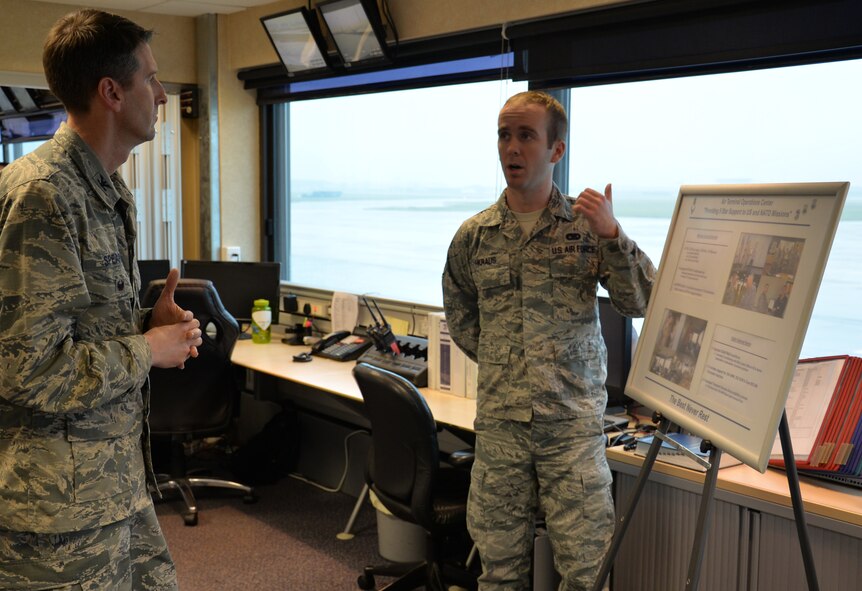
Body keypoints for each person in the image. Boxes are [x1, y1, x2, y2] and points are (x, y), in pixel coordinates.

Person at [0, 10, 202, 590]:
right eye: (152, 79)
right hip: (57, 514)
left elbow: (72, 327)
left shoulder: (106, 187)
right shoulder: (43, 195)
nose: (162, 95)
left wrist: (145, 322)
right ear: (111, 92)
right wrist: (149, 349)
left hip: (113, 482)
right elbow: (29, 370)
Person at [442, 90, 655, 590]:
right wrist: (508, 365)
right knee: (499, 574)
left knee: (586, 574)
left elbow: (641, 301)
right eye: (504, 135)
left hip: (572, 431)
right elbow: (461, 315)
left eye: (526, 136)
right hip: (501, 429)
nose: (511, 148)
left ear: (556, 149)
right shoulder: (474, 235)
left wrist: (613, 235)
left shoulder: (587, 227)